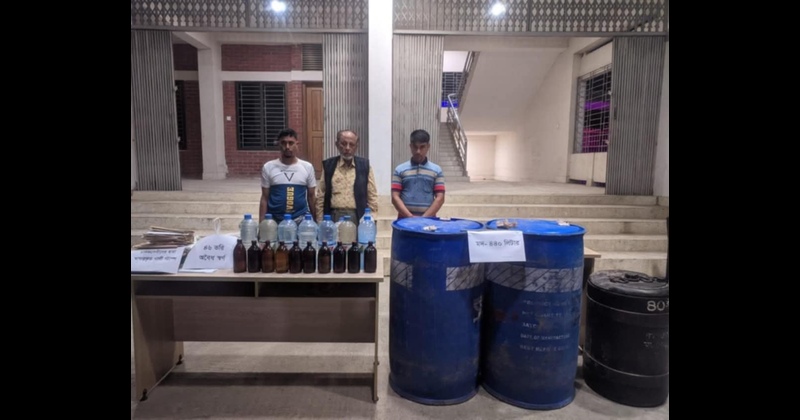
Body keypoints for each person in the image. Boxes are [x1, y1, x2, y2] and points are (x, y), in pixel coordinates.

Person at [315, 130, 379, 224]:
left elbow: (372, 195)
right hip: (333, 217)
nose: (347, 148)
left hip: (358, 217)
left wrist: (372, 219)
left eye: (351, 144)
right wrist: (320, 221)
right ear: (337, 144)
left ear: (356, 147)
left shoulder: (365, 166)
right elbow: (321, 195)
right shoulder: (329, 166)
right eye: (344, 144)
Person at [259, 128, 317, 223]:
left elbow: (311, 197)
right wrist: (261, 224)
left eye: (291, 143)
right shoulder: (268, 167)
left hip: (300, 219)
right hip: (275, 219)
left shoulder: (307, 167)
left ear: (296, 144)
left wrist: (316, 222)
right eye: (283, 143)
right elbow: (264, 198)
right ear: (279, 144)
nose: (287, 147)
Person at [391, 129, 445, 219]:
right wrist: (410, 217)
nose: (418, 151)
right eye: (415, 147)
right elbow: (395, 197)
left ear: (428, 147)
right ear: (410, 146)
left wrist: (423, 219)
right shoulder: (399, 170)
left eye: (422, 147)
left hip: (429, 221)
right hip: (404, 221)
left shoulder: (436, 170)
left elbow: (440, 198)